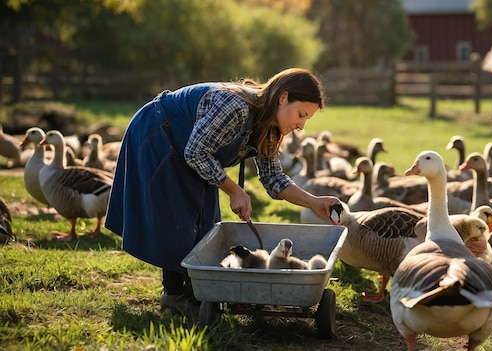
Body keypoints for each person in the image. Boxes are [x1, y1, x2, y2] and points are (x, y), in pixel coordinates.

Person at [104, 68, 341, 320]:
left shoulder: (270, 128)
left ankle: (195, 288)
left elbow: (273, 179)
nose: (301, 126)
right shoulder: (237, 106)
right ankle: (174, 295)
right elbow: (196, 151)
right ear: (283, 98)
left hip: (187, 149)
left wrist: (315, 203)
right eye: (301, 115)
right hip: (158, 132)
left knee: (205, 220)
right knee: (180, 218)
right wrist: (234, 190)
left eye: (307, 120)